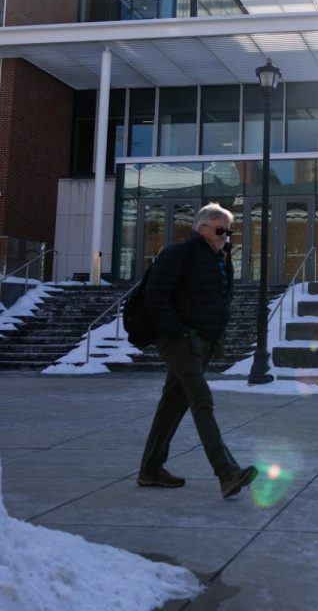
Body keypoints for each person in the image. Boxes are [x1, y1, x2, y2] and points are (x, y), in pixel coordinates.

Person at [137, 202, 258, 499]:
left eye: (229, 231)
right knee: (201, 400)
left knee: (173, 404)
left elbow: (222, 299)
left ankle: (150, 468)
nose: (225, 237)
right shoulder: (179, 254)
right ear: (201, 229)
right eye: (220, 230)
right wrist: (179, 332)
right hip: (178, 341)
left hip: (202, 342)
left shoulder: (222, 259)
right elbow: (155, 296)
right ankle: (226, 471)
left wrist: (213, 338)